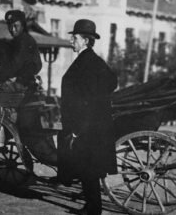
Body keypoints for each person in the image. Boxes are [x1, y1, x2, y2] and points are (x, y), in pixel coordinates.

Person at [57, 19, 118, 215]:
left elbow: (88, 98)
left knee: (88, 169)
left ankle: (93, 210)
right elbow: (112, 82)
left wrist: (77, 128)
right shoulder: (93, 60)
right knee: (88, 168)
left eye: (74, 38)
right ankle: (91, 206)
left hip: (86, 126)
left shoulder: (87, 62)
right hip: (93, 125)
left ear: (85, 40)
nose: (70, 41)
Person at [0, 9, 42, 90]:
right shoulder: (17, 41)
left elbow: (15, 65)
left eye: (15, 26)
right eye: (9, 26)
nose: (12, 29)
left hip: (23, 84)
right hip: (17, 83)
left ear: (23, 26)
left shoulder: (25, 41)